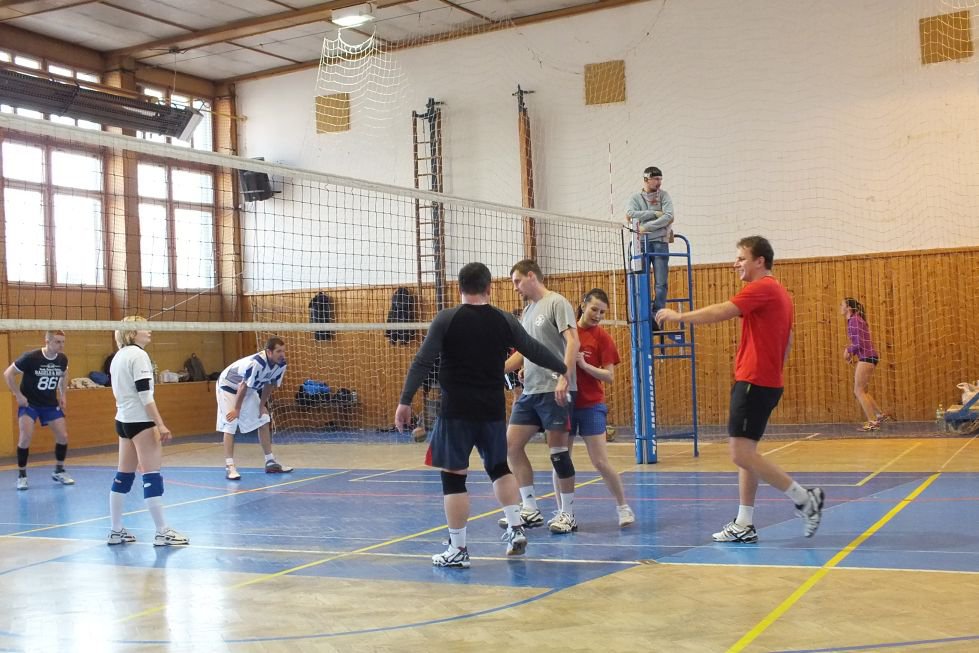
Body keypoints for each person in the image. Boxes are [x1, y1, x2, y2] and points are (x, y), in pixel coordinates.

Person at [394, 262, 567, 568]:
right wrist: (564, 368)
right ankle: (515, 528)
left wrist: (405, 401)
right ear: (489, 287)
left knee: (453, 478)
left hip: (456, 412)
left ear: (459, 288)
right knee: (500, 468)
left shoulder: (446, 318)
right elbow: (532, 349)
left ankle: (458, 549)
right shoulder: (504, 319)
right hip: (492, 411)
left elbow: (422, 361)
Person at [656, 236, 824, 542]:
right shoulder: (780, 293)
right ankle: (744, 523)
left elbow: (722, 310)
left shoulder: (762, 288)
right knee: (748, 454)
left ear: (760, 261)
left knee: (740, 454)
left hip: (754, 381)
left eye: (741, 258)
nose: (736, 264)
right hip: (766, 381)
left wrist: (679, 316)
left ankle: (804, 498)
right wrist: (773, 369)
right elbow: (788, 339)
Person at [501, 260, 579, 535]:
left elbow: (573, 341)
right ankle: (530, 507)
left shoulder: (557, 302)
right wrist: (495, 370)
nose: (515, 288)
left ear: (531, 276)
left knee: (558, 453)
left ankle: (568, 514)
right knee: (511, 446)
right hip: (530, 391)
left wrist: (564, 376)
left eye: (517, 281)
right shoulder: (527, 311)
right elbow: (525, 351)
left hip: (554, 389)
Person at [107, 316, 188, 546]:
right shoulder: (139, 355)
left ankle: (115, 530)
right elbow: (145, 394)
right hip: (141, 421)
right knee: (152, 475)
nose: (149, 330)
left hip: (123, 420)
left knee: (123, 476)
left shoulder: (118, 356)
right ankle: (162, 532)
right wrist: (159, 424)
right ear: (133, 333)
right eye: (144, 327)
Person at [567, 289, 635, 527]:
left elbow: (609, 376)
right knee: (561, 459)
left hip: (591, 405)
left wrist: (585, 365)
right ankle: (565, 513)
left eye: (602, 312)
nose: (597, 315)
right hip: (564, 403)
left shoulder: (603, 338)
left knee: (600, 461)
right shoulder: (567, 332)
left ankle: (623, 507)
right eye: (594, 309)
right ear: (583, 305)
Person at [3, 330, 74, 490]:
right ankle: (22, 476)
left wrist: (63, 395)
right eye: (57, 342)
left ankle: (59, 470)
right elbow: (8, 374)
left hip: (50, 404)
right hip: (30, 404)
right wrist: (18, 395)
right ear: (47, 341)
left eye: (63, 342)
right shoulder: (31, 357)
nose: (61, 345)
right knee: (25, 438)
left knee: (63, 436)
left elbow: (64, 375)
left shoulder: (62, 359)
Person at [217, 337, 292, 480]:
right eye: (278, 351)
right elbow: (242, 386)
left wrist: (261, 405)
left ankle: (270, 462)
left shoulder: (281, 364)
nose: (282, 354)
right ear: (269, 352)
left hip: (248, 389)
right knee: (231, 423)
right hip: (228, 387)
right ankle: (229, 466)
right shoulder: (256, 363)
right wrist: (237, 409)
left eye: (283, 351)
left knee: (263, 418)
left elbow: (269, 384)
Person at [626, 166, 674, 322]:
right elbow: (630, 215)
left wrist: (646, 227)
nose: (659, 182)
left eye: (660, 179)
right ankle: (643, 314)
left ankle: (656, 315)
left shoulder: (664, 196)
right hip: (640, 244)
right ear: (646, 179)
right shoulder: (635, 198)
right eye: (656, 179)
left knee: (661, 283)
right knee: (642, 280)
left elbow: (669, 216)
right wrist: (654, 213)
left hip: (660, 243)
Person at [841, 297, 890, 431]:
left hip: (867, 357)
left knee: (858, 390)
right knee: (863, 390)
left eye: (842, 305)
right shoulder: (855, 319)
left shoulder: (854, 320)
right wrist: (852, 353)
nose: (840, 307)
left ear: (848, 308)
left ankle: (872, 422)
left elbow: (859, 343)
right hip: (869, 356)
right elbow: (860, 342)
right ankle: (879, 415)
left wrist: (848, 351)